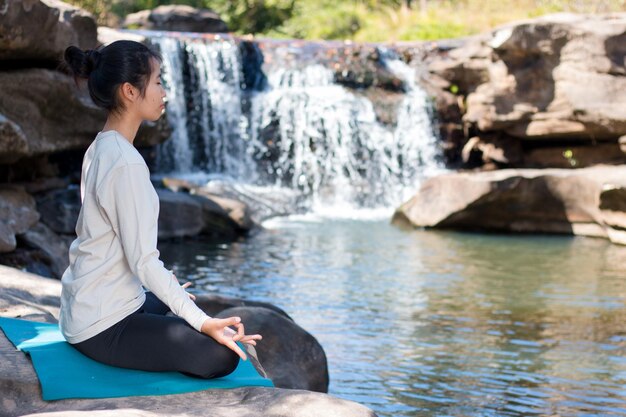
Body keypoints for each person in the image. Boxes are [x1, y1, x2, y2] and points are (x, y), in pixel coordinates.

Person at [59, 40, 262, 379]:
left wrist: (174, 300)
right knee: (221, 357)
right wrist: (203, 321)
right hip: (100, 325)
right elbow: (143, 261)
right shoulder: (125, 163)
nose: (165, 92)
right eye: (157, 82)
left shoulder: (102, 146)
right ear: (129, 91)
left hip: (88, 304)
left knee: (178, 299)